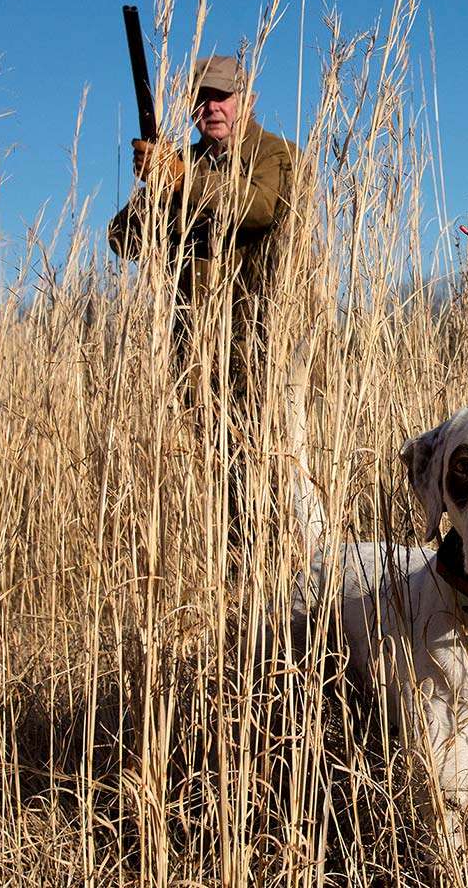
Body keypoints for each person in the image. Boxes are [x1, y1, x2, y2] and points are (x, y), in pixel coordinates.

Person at [109, 54, 321, 558]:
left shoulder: (278, 154)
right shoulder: (181, 164)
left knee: (282, 471)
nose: (211, 108)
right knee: (226, 479)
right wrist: (155, 189)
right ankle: (241, 583)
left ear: (246, 100)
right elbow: (123, 240)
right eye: (201, 99)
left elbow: (259, 208)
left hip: (270, 344)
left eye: (221, 96)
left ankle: (305, 575)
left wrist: (181, 180)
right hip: (205, 351)